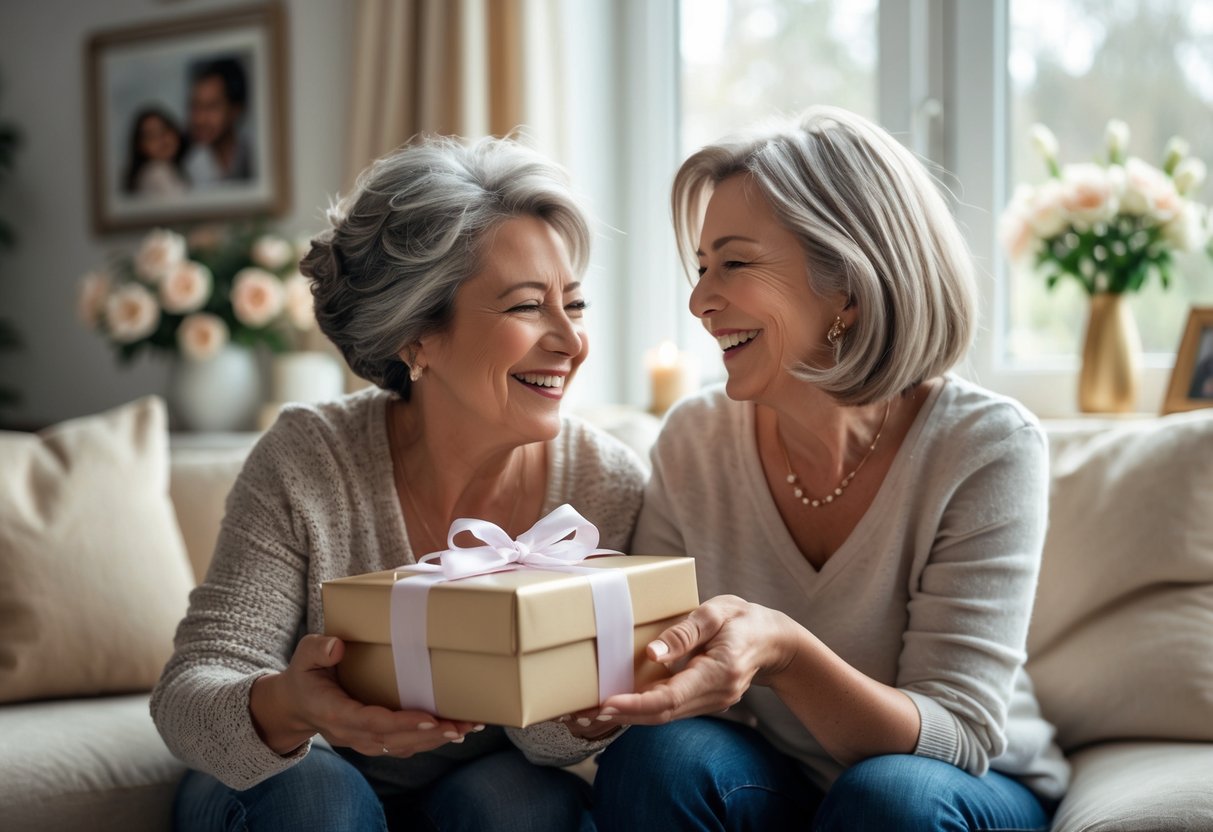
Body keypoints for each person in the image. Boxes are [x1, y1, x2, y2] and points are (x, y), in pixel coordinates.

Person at [587, 107, 1071, 830]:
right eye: (700, 267)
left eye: (735, 262)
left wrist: (782, 651)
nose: (698, 301)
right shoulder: (695, 438)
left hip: (963, 789)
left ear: (845, 284)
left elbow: (959, 737)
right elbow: (653, 656)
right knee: (661, 759)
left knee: (888, 799)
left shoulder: (986, 447)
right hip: (783, 779)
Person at [151, 135, 640, 831]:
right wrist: (295, 705)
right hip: (292, 780)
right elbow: (189, 696)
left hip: (469, 787)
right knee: (322, 798)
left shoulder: (604, 483)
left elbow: (548, 742)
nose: (570, 340)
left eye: (575, 303)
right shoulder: (308, 459)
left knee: (523, 806)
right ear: (416, 337)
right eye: (528, 306)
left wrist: (585, 707)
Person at [182, 56, 253, 186]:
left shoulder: (253, 155)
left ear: (236, 109)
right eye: (195, 106)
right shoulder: (187, 167)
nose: (199, 119)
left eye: (211, 106)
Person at [123, 106, 188, 197]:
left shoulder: (174, 168)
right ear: (140, 146)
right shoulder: (156, 172)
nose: (161, 139)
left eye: (164, 130)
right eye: (151, 136)